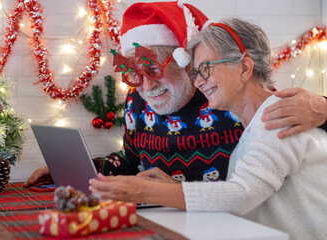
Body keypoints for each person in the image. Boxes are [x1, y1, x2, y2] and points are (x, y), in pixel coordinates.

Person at [24, 1, 327, 188]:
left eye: (152, 69)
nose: (144, 85)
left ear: (185, 62)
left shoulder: (225, 93)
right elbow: (132, 161)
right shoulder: (136, 104)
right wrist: (84, 170)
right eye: (132, 73)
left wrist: (323, 107)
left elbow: (292, 127)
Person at [89, 17, 327, 239]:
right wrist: (176, 189)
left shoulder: (277, 115)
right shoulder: (253, 121)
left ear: (244, 68)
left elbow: (241, 195)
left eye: (206, 69)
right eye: (196, 72)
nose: (199, 81)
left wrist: (144, 192)